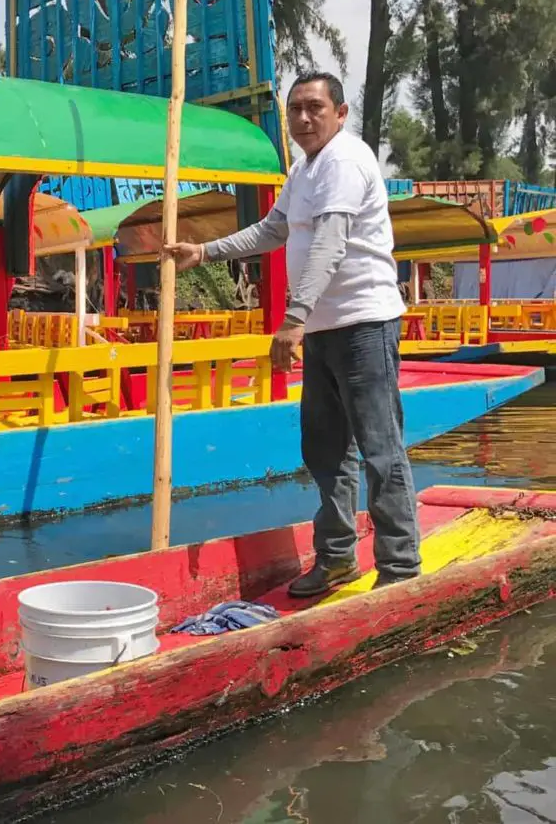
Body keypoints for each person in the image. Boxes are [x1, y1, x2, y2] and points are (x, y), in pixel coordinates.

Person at [168, 72, 421, 597]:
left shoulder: (346, 161)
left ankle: (399, 567)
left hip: (363, 323)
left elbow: (329, 242)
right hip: (326, 330)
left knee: (379, 447)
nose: (303, 119)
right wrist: (205, 252)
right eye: (295, 111)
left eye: (314, 108)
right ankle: (336, 559)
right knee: (325, 449)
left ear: (341, 112)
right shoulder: (305, 170)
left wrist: (293, 319)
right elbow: (273, 229)